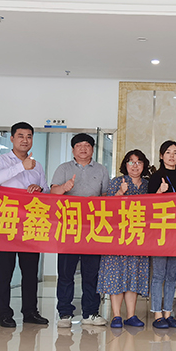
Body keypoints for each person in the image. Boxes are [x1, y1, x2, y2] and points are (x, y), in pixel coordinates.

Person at [0, 121, 50, 328]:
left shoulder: (37, 165)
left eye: (29, 136)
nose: (25, 140)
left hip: (31, 223)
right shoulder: (0, 160)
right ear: (12, 138)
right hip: (7, 222)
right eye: (21, 136)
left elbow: (46, 190)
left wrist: (39, 189)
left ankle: (30, 312)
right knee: (4, 271)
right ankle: (3, 314)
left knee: (30, 271)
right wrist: (21, 167)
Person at [51, 133, 109, 328]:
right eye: (79, 145)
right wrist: (64, 187)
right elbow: (52, 193)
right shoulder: (63, 168)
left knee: (91, 273)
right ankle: (65, 313)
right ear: (73, 149)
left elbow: (106, 198)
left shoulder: (101, 169)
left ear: (92, 149)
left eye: (87, 145)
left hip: (93, 229)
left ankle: (90, 313)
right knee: (66, 273)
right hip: (68, 228)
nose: (83, 149)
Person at [97, 149, 151, 329]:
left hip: (138, 238)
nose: (135, 166)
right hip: (117, 238)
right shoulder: (116, 182)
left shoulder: (148, 185)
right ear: (125, 165)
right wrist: (120, 193)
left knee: (133, 276)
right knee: (116, 275)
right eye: (131, 162)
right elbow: (107, 209)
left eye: (138, 162)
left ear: (144, 165)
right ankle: (116, 316)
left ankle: (131, 315)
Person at [147, 140, 176, 329]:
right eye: (168, 152)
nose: (172, 156)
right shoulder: (155, 178)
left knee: (172, 275)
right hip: (159, 232)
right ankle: (157, 314)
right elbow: (148, 206)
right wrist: (159, 192)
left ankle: (168, 313)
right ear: (161, 155)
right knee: (158, 275)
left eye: (175, 152)